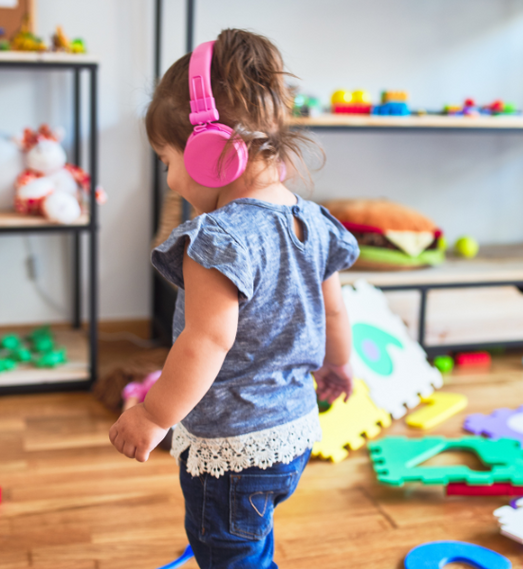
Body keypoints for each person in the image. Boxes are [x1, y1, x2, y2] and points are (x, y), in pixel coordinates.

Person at [109, 28, 359, 568]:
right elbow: (334, 308)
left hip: (233, 452)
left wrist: (153, 417)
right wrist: (340, 364)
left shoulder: (216, 240)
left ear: (208, 157)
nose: (170, 178)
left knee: (228, 550)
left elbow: (207, 340)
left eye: (166, 160)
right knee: (250, 531)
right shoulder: (315, 222)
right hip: (294, 433)